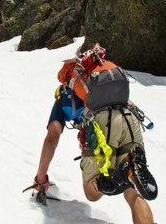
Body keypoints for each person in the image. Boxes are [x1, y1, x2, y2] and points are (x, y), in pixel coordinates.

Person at [31, 42, 157, 224]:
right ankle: (129, 170)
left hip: (102, 125)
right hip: (129, 118)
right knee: (133, 191)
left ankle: (115, 178)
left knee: (92, 192)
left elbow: (52, 138)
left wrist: (41, 178)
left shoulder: (66, 98)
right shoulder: (104, 83)